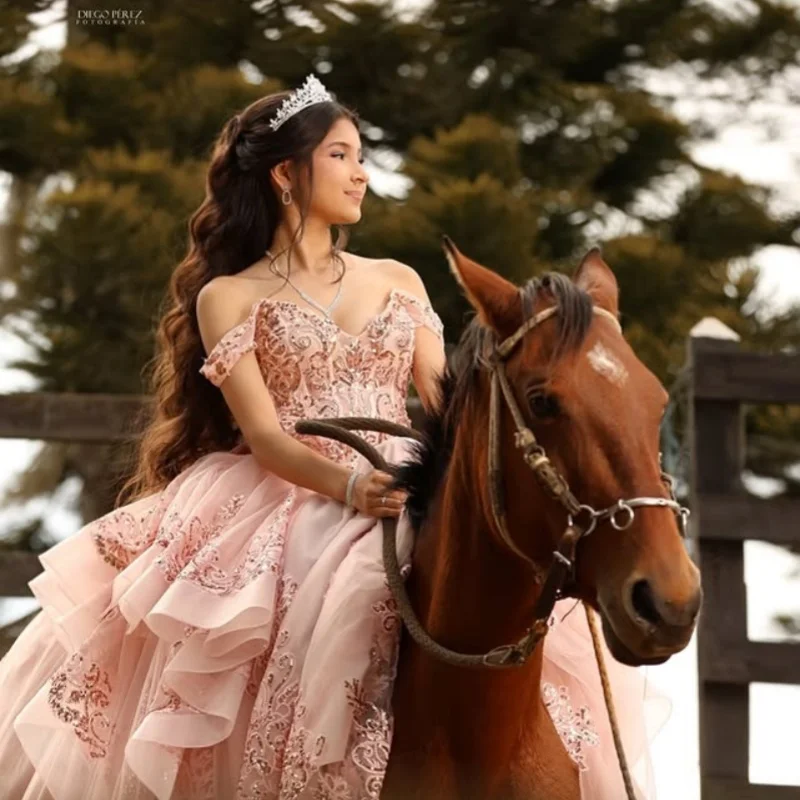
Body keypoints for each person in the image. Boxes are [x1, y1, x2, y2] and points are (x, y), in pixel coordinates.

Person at [0, 74, 668, 799]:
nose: (361, 174)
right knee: (292, 609)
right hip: (282, 494)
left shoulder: (399, 280)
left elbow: (442, 406)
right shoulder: (229, 297)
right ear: (287, 173)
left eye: (362, 157)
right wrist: (348, 486)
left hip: (401, 473)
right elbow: (262, 434)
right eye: (342, 156)